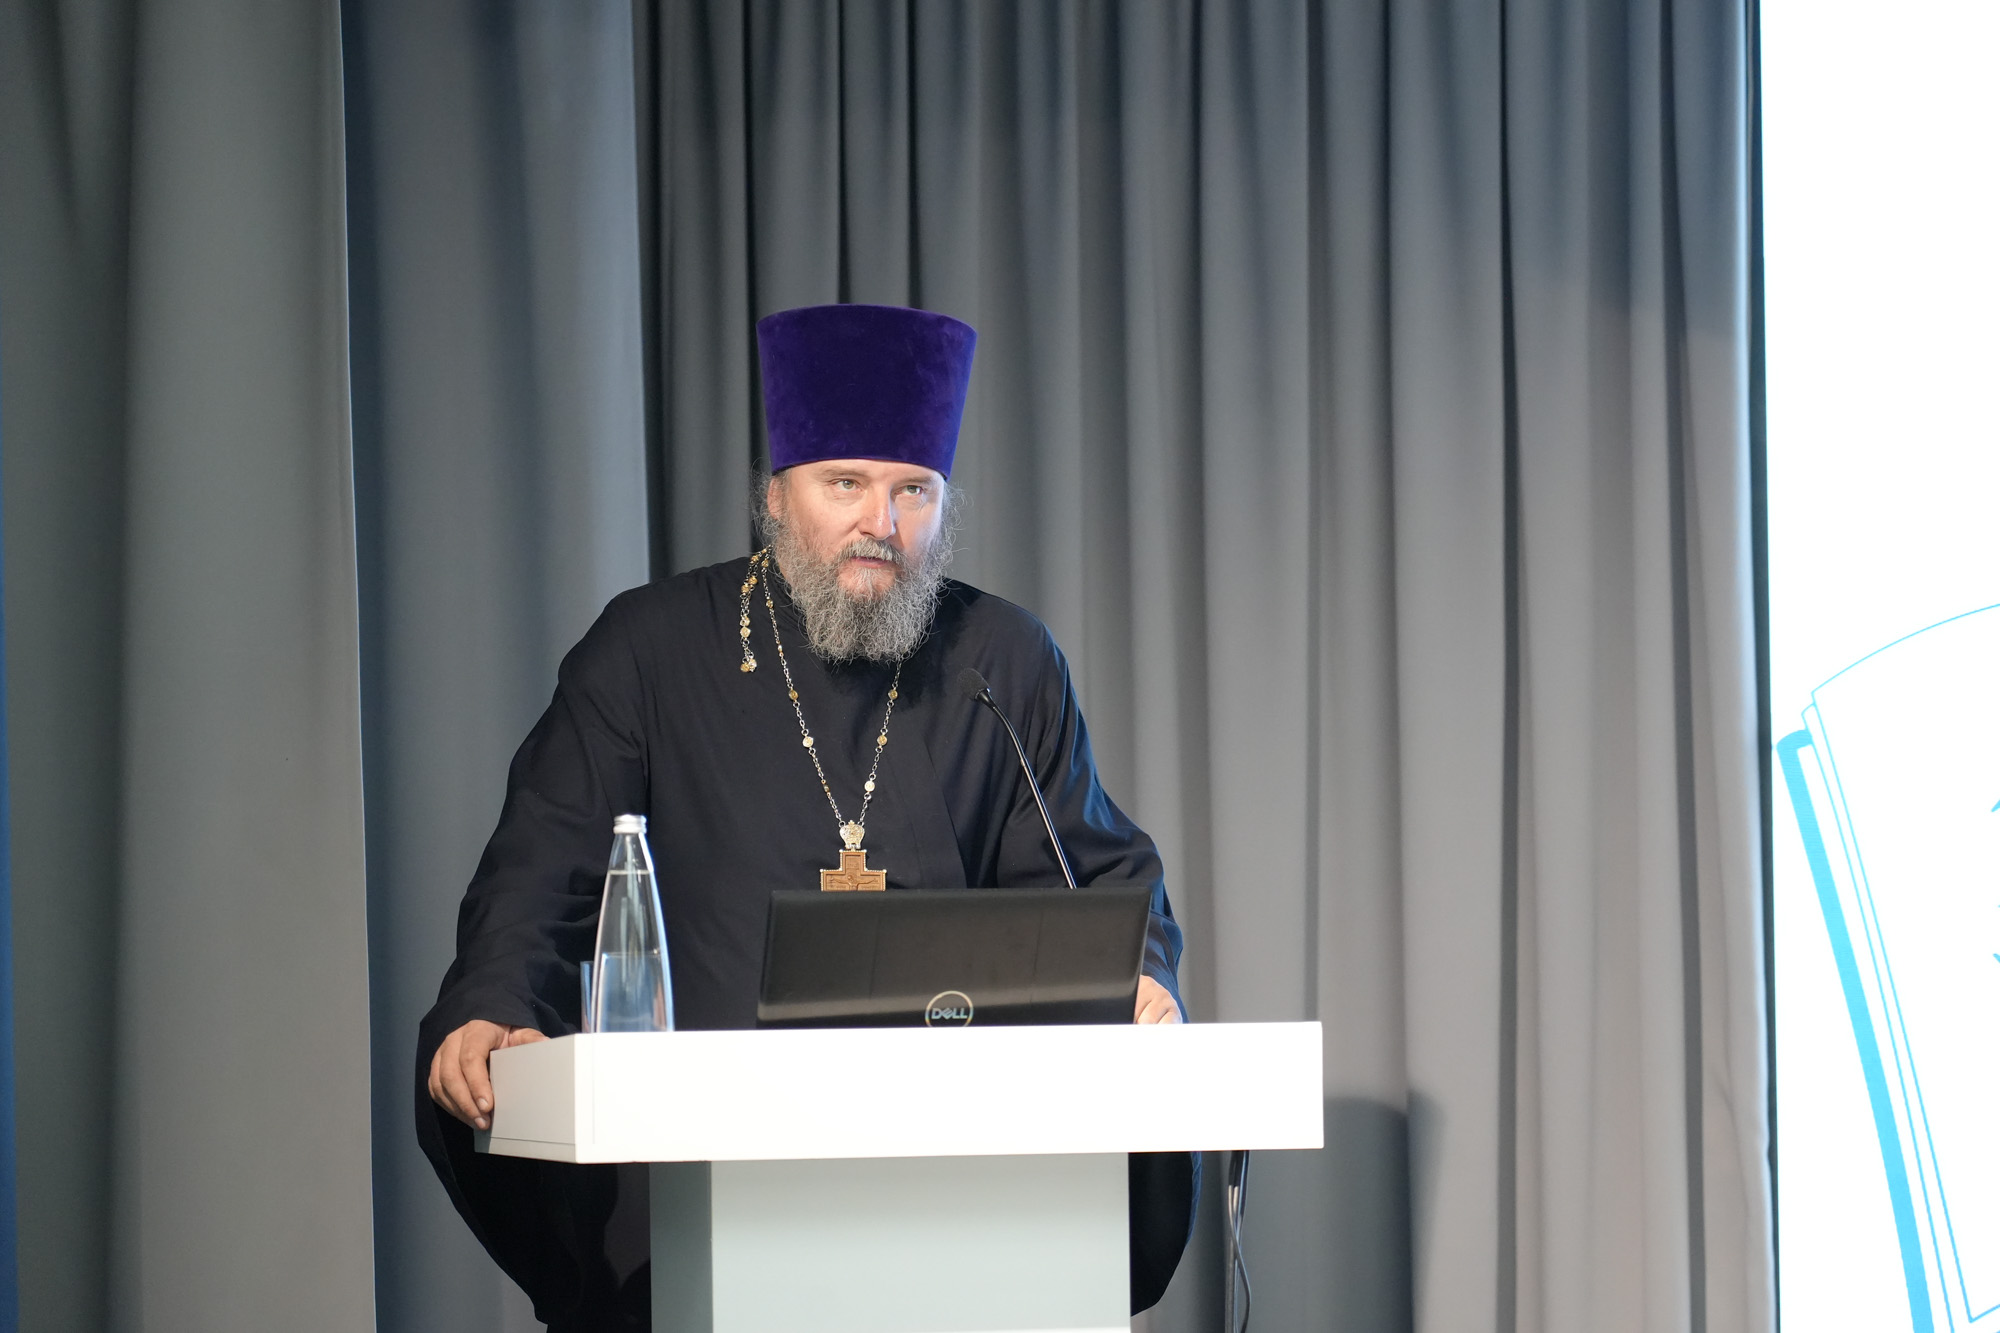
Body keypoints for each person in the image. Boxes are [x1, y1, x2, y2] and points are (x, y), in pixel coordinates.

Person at [417, 303, 1196, 1331]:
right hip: (703, 1175)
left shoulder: (1002, 661)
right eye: (846, 485)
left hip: (957, 1179)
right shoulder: (648, 650)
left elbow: (1093, 874)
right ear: (776, 495)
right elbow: (542, 868)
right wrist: (494, 1000)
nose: (882, 523)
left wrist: (1138, 976)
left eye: (913, 490)